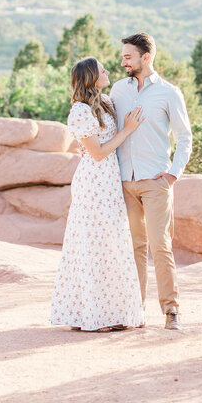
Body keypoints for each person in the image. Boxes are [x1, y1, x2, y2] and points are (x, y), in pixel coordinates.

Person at [49, 58, 146, 332]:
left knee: (111, 245)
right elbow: (98, 152)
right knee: (94, 245)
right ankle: (94, 315)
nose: (107, 72)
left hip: (110, 182)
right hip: (93, 183)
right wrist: (127, 130)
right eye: (102, 70)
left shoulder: (105, 104)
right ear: (92, 77)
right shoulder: (80, 111)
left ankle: (112, 312)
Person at [111, 32, 193, 331]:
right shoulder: (118, 90)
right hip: (124, 180)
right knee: (133, 247)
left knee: (161, 246)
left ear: (146, 57)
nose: (123, 62)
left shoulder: (169, 93)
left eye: (128, 56)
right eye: (123, 56)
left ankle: (171, 311)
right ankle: (134, 311)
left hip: (156, 181)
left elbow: (185, 137)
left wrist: (173, 173)